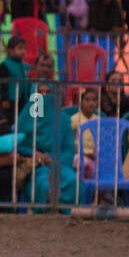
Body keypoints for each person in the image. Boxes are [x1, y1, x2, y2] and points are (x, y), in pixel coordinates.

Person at [15, 67, 77, 210]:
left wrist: (54, 160)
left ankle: (65, 212)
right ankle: (49, 212)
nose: (43, 96)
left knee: (72, 181)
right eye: (39, 93)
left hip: (58, 164)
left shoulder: (62, 119)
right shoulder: (26, 118)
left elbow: (69, 149)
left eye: (47, 92)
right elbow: (18, 144)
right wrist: (35, 154)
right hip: (36, 165)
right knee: (43, 183)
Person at [0, 34, 32, 125]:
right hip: (10, 102)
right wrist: (4, 99)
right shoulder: (5, 65)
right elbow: (3, 83)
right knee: (9, 122)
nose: (23, 51)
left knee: (21, 122)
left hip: (23, 100)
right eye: (20, 48)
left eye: (24, 48)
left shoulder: (25, 66)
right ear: (10, 50)